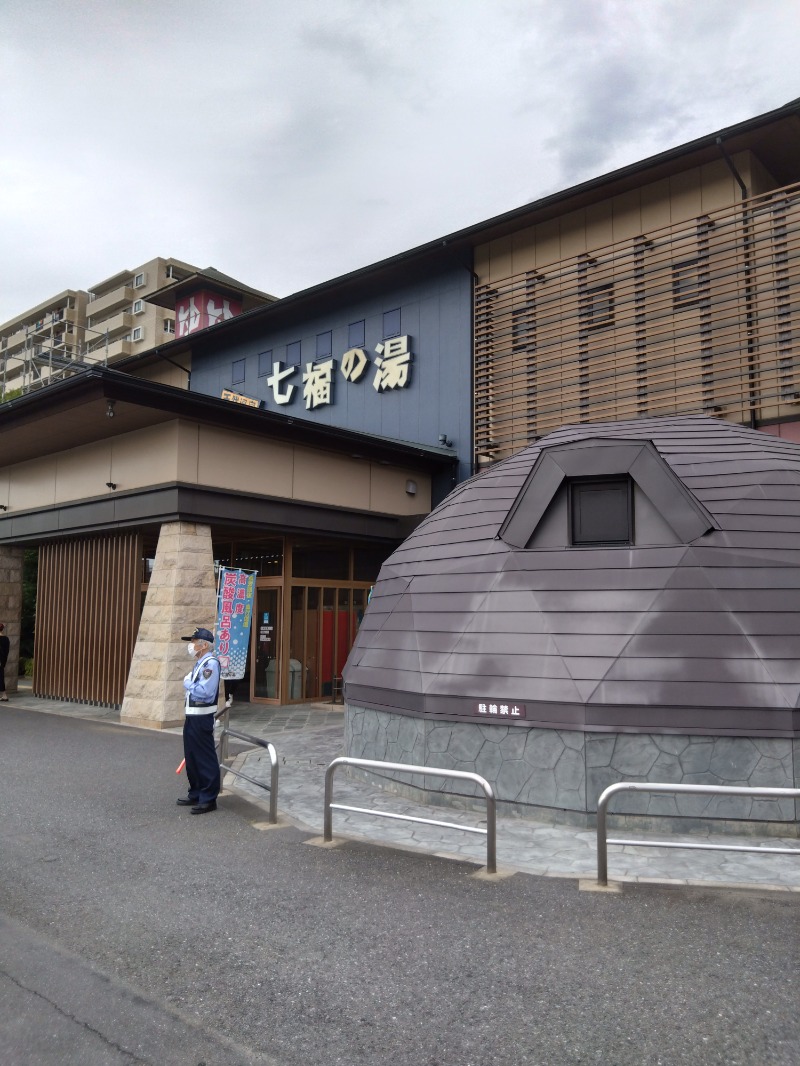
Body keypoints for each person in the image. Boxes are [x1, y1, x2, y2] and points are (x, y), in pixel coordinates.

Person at [178, 627, 222, 815]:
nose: (191, 645)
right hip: (192, 716)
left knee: (204, 758)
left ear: (204, 645)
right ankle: (196, 792)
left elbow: (205, 692)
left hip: (202, 717)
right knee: (192, 757)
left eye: (194, 641)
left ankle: (208, 798)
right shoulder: (200, 663)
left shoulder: (210, 664)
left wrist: (188, 683)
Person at [0, 623, 9, 702]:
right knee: (1, 677)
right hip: (2, 661)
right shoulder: (6, 639)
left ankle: (4, 695)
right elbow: (6, 651)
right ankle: (4, 695)